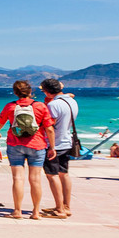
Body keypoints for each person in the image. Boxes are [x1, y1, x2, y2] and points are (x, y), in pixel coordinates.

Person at [0, 80, 56, 220]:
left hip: (15, 144)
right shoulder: (40, 106)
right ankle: (36, 212)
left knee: (18, 178)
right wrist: (52, 147)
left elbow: (0, 122)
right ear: (31, 92)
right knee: (35, 179)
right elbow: (49, 128)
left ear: (15, 92)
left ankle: (17, 211)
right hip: (37, 145)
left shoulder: (10, 106)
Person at [40, 78, 79, 218]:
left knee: (52, 175)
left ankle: (59, 209)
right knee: (64, 174)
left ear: (48, 91)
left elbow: (50, 126)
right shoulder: (71, 101)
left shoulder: (54, 105)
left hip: (54, 143)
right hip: (67, 141)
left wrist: (51, 146)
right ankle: (66, 206)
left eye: (43, 90)